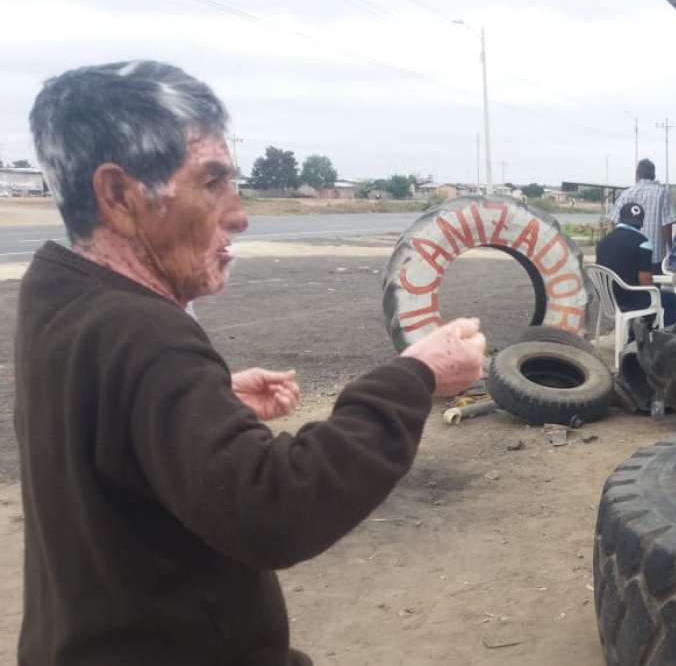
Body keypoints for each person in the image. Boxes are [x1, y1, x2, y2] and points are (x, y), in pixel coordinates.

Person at [18, 60, 487, 666]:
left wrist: (200, 408)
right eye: (211, 183)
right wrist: (415, 377)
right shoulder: (146, 335)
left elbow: (95, 425)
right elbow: (271, 509)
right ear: (118, 195)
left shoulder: (58, 289)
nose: (238, 215)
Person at [596, 202, 676, 327]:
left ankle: (636, 333)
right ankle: (653, 336)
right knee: (673, 300)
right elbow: (645, 280)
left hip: (607, 299)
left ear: (620, 219)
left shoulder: (603, 241)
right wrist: (655, 289)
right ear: (641, 223)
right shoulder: (643, 242)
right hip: (630, 300)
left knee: (650, 297)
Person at [606, 159, 676, 265]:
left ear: (637, 175)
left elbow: (615, 222)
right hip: (655, 255)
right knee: (653, 281)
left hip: (629, 253)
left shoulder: (626, 194)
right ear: (653, 175)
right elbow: (666, 226)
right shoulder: (662, 194)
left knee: (630, 282)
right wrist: (670, 249)